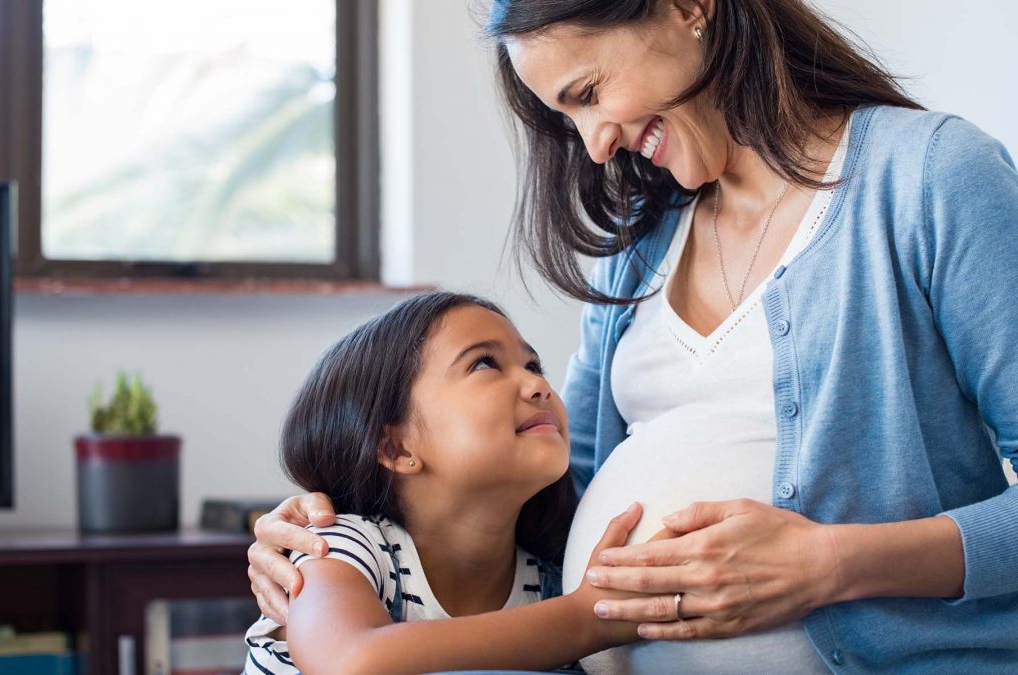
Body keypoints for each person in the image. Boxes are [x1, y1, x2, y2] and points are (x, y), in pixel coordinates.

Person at [248, 0, 1018, 672]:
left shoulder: (928, 178)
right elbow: (549, 493)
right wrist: (327, 529)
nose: (593, 145)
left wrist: (830, 564)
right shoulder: (637, 252)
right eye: (566, 117)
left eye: (589, 93)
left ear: (688, 6)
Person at [243, 291, 660, 674]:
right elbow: (349, 662)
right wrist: (587, 620)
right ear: (395, 448)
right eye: (484, 363)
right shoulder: (342, 549)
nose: (538, 386)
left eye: (533, 365)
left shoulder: (552, 583)